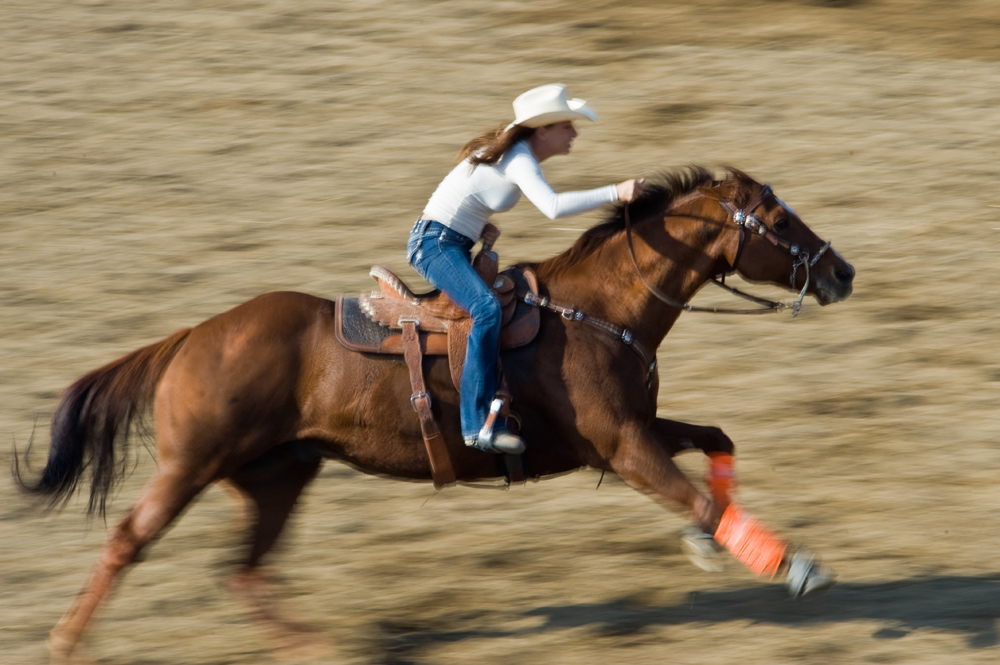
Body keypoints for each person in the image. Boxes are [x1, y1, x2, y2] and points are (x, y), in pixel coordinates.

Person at [407, 83, 645, 455]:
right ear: (543, 130)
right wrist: (616, 191)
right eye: (567, 125)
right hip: (434, 245)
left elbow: (464, 189)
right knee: (485, 309)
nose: (574, 133)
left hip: (449, 240)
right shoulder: (518, 157)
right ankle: (475, 425)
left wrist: (471, 225)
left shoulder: (512, 152)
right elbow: (551, 207)